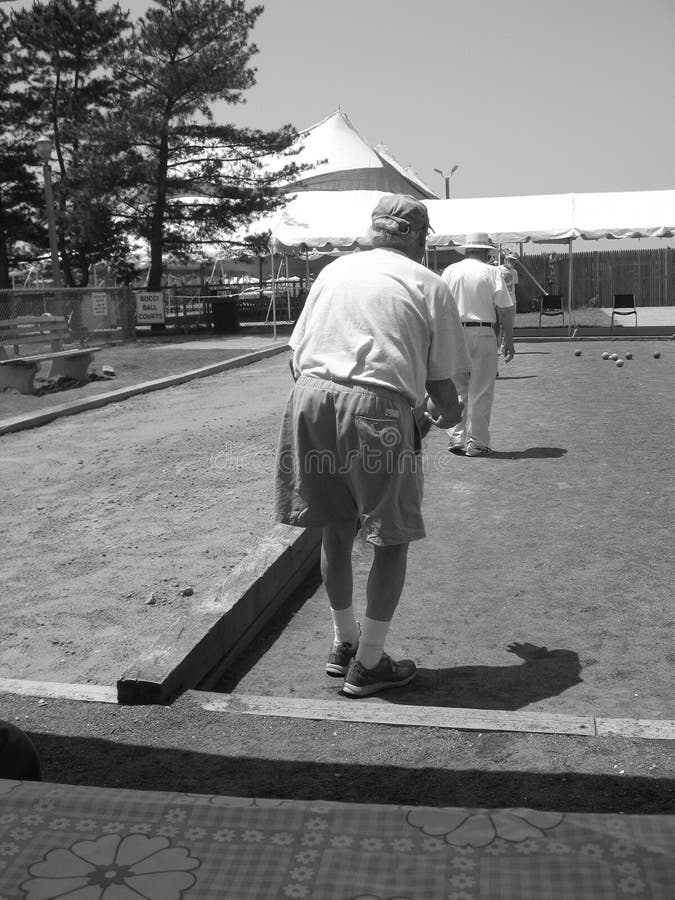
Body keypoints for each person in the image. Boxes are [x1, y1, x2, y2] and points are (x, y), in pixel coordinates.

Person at [274, 194, 471, 697]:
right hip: (376, 408)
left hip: (308, 398)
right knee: (391, 536)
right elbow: (444, 389)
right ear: (418, 237)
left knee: (336, 528)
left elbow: (296, 357)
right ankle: (370, 662)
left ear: (375, 231)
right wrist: (443, 417)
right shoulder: (428, 282)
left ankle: (344, 644)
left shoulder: (333, 272)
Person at [440, 232, 515, 457]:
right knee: (481, 389)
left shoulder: (450, 271)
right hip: (482, 332)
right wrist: (508, 339)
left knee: (456, 388)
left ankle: (456, 437)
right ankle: (478, 442)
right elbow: (504, 308)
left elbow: (439, 303)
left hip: (453, 333)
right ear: (485, 251)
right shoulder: (492, 272)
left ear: (468, 249)